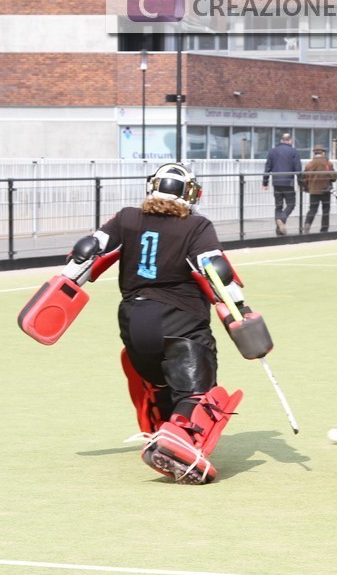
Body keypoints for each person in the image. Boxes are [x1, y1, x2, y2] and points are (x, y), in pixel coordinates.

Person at [57, 163, 272, 485]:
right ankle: (181, 437)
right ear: (190, 194)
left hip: (134, 324)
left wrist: (60, 288)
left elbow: (88, 251)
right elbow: (215, 269)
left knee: (159, 382)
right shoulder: (196, 226)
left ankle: (162, 426)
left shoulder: (127, 218)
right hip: (181, 323)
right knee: (197, 392)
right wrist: (239, 311)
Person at [262, 132, 302, 236]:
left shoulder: (272, 151)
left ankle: (279, 230)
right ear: (290, 141)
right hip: (288, 182)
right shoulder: (293, 151)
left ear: (281, 140)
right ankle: (282, 219)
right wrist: (300, 182)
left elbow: (267, 167)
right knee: (291, 204)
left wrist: (265, 182)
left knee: (278, 206)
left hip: (276, 182)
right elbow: (298, 168)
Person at [302, 145, 337, 233]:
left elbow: (304, 178)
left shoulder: (309, 164)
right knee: (325, 209)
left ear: (314, 153)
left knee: (312, 209)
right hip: (325, 190)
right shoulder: (328, 164)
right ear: (323, 153)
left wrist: (306, 187)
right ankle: (324, 229)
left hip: (313, 190)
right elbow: (334, 178)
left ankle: (307, 224)